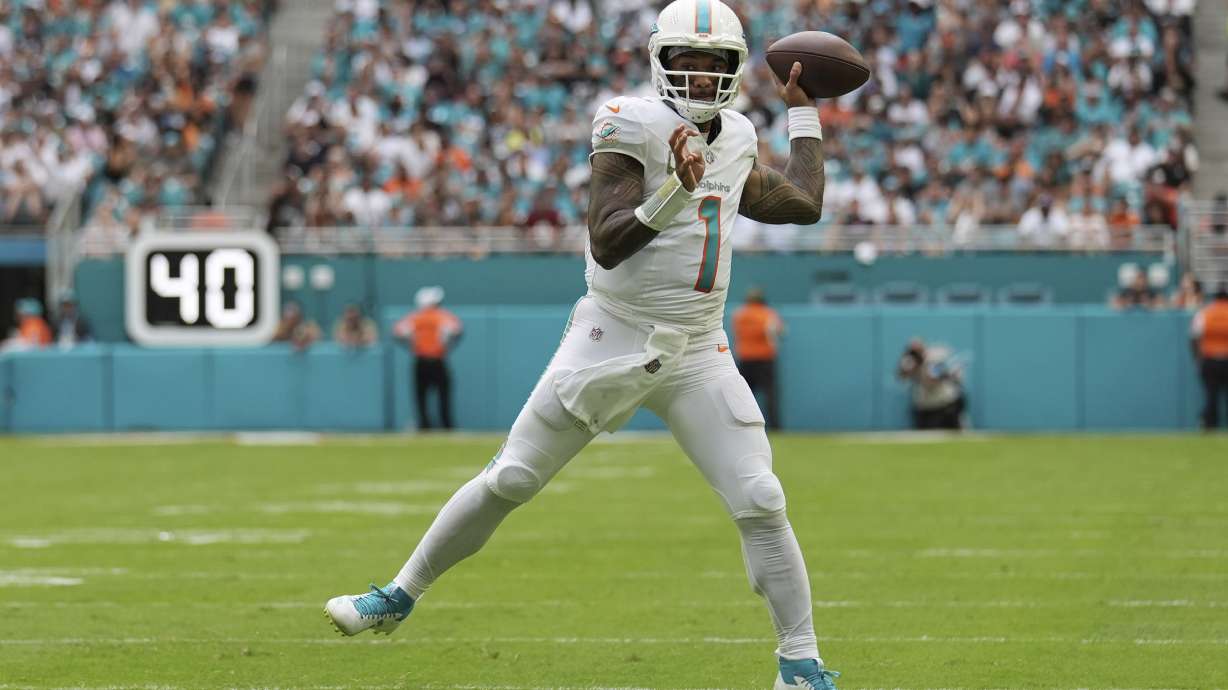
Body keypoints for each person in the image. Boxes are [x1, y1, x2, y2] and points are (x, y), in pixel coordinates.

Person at [324, 3, 840, 688]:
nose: (699, 74)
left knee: (762, 497)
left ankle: (800, 663)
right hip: (611, 334)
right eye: (686, 59)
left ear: (735, 68)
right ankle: (398, 594)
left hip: (695, 351)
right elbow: (608, 237)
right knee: (512, 476)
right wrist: (671, 198)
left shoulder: (739, 134)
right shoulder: (629, 122)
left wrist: (803, 111)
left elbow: (803, 204)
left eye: (712, 63)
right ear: (660, 61)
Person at [392, 286, 464, 430]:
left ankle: (424, 426)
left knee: (421, 397)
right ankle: (447, 426)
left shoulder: (415, 318)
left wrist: (412, 344)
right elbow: (458, 330)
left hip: (420, 360)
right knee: (443, 396)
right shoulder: (442, 316)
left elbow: (398, 332)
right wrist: (447, 345)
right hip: (437, 360)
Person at [732, 287, 785, 429]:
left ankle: (740, 425)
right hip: (765, 358)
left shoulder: (739, 314)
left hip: (745, 358)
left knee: (743, 396)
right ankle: (775, 426)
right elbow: (780, 331)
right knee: (770, 395)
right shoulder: (768, 314)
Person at [896, 338, 966, 430]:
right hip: (926, 407)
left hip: (946, 403)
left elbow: (934, 378)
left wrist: (923, 366)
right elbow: (901, 376)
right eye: (913, 352)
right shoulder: (910, 362)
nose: (916, 355)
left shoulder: (934, 357)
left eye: (918, 351)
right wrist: (907, 368)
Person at [1191, 284, 1228, 430]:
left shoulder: (1205, 313)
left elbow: (1194, 337)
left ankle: (1210, 425)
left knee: (1211, 395)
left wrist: (1197, 359)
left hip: (1209, 359)